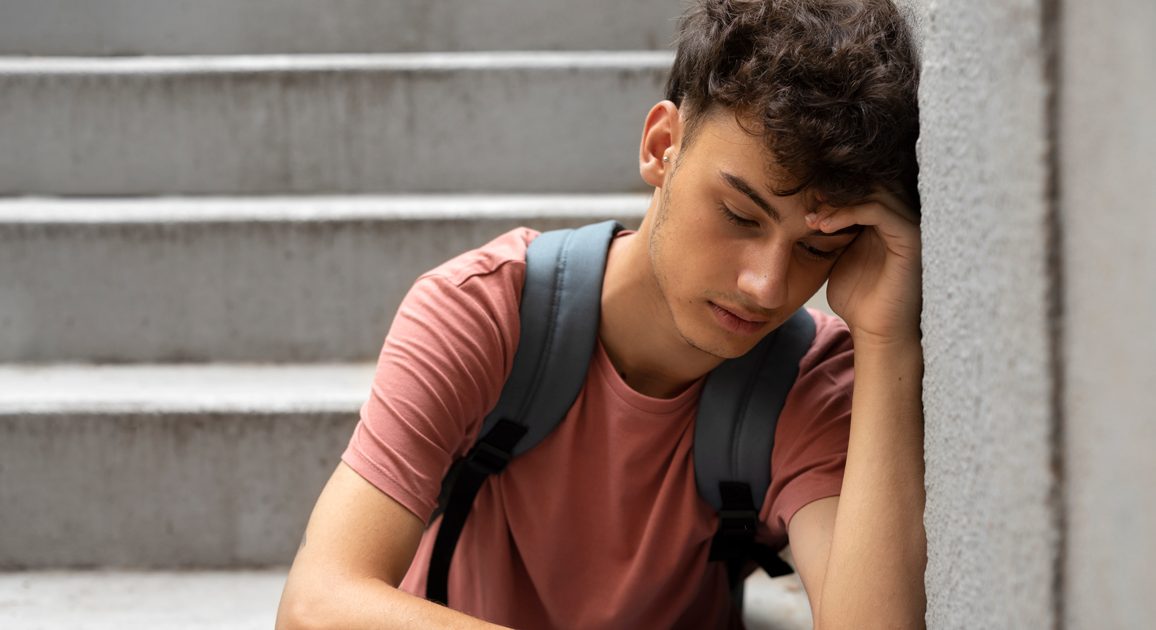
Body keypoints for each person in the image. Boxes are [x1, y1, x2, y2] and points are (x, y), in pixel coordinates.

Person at [276, 0, 925, 627]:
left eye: (815, 248)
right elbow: (317, 605)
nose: (766, 285)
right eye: (738, 215)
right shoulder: (483, 311)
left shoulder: (810, 381)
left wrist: (887, 335)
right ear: (662, 146)